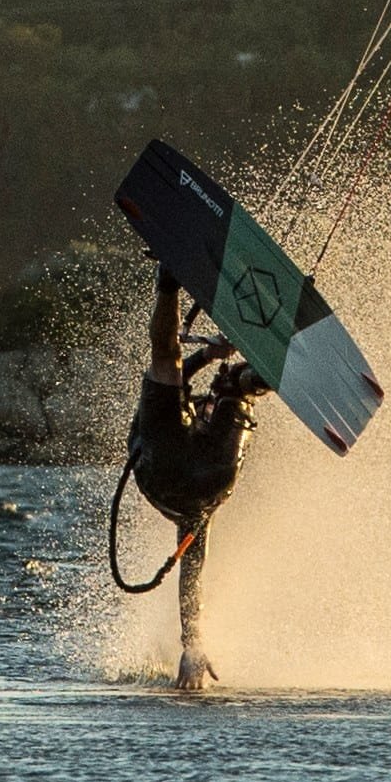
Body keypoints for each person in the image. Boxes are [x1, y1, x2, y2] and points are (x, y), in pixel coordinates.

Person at [127, 267, 266, 689]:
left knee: (171, 363)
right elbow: (192, 572)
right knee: (227, 384)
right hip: (186, 472)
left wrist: (193, 644)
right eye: (207, 408)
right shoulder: (177, 428)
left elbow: (192, 573)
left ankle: (168, 284)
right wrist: (209, 357)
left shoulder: (195, 516)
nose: (208, 410)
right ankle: (262, 375)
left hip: (172, 475)